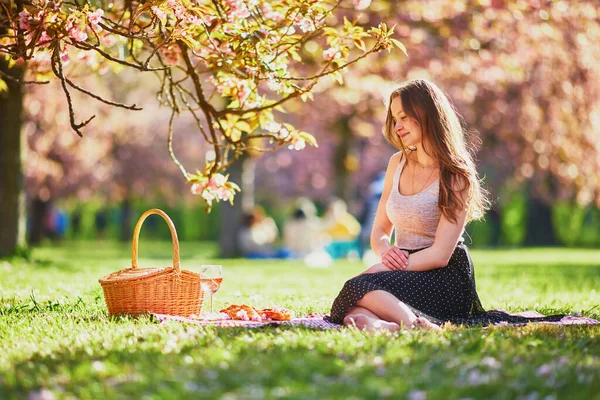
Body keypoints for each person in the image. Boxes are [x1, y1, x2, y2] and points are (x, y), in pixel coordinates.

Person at [325, 79, 563, 332]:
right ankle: (388, 327)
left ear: (426, 114)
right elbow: (380, 232)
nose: (398, 126)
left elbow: (440, 255)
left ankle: (411, 323)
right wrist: (385, 252)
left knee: (358, 287)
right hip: (404, 271)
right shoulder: (397, 163)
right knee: (349, 303)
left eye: (404, 117)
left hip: (444, 278)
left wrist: (382, 268)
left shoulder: (456, 175)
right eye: (395, 119)